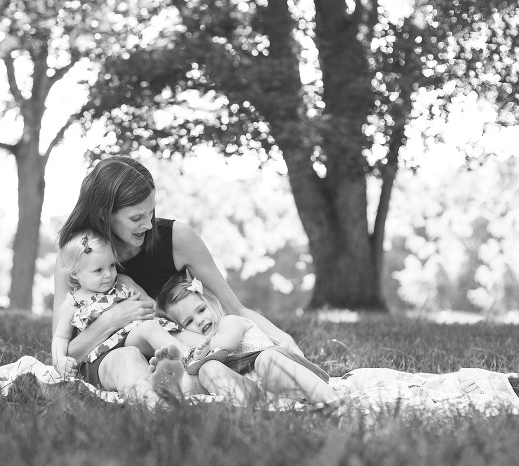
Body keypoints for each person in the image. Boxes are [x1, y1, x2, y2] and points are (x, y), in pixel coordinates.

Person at [53, 156, 304, 406]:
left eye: (151, 212)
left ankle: (243, 387)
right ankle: (155, 407)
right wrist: (113, 319)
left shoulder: (177, 239)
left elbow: (235, 309)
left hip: (177, 352)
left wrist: (282, 339)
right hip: (108, 358)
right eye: (136, 217)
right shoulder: (78, 255)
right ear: (104, 215)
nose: (148, 224)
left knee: (221, 358)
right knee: (129, 359)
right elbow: (64, 352)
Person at [51, 229, 229, 383]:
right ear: (75, 274)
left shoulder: (122, 282)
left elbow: (152, 306)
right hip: (109, 348)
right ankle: (190, 356)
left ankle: (213, 349)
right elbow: (60, 338)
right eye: (98, 270)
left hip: (138, 335)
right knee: (150, 328)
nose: (108, 274)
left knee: (168, 330)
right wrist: (59, 359)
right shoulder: (73, 303)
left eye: (112, 265)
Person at [157, 273, 339, 406]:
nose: (199, 320)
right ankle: (252, 408)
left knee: (265, 360)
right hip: (260, 390)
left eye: (201, 310)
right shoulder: (208, 352)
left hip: (285, 370)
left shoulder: (229, 322)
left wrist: (203, 349)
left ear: (212, 302)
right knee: (208, 369)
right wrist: (196, 360)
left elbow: (228, 343)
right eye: (189, 321)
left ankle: (330, 400)